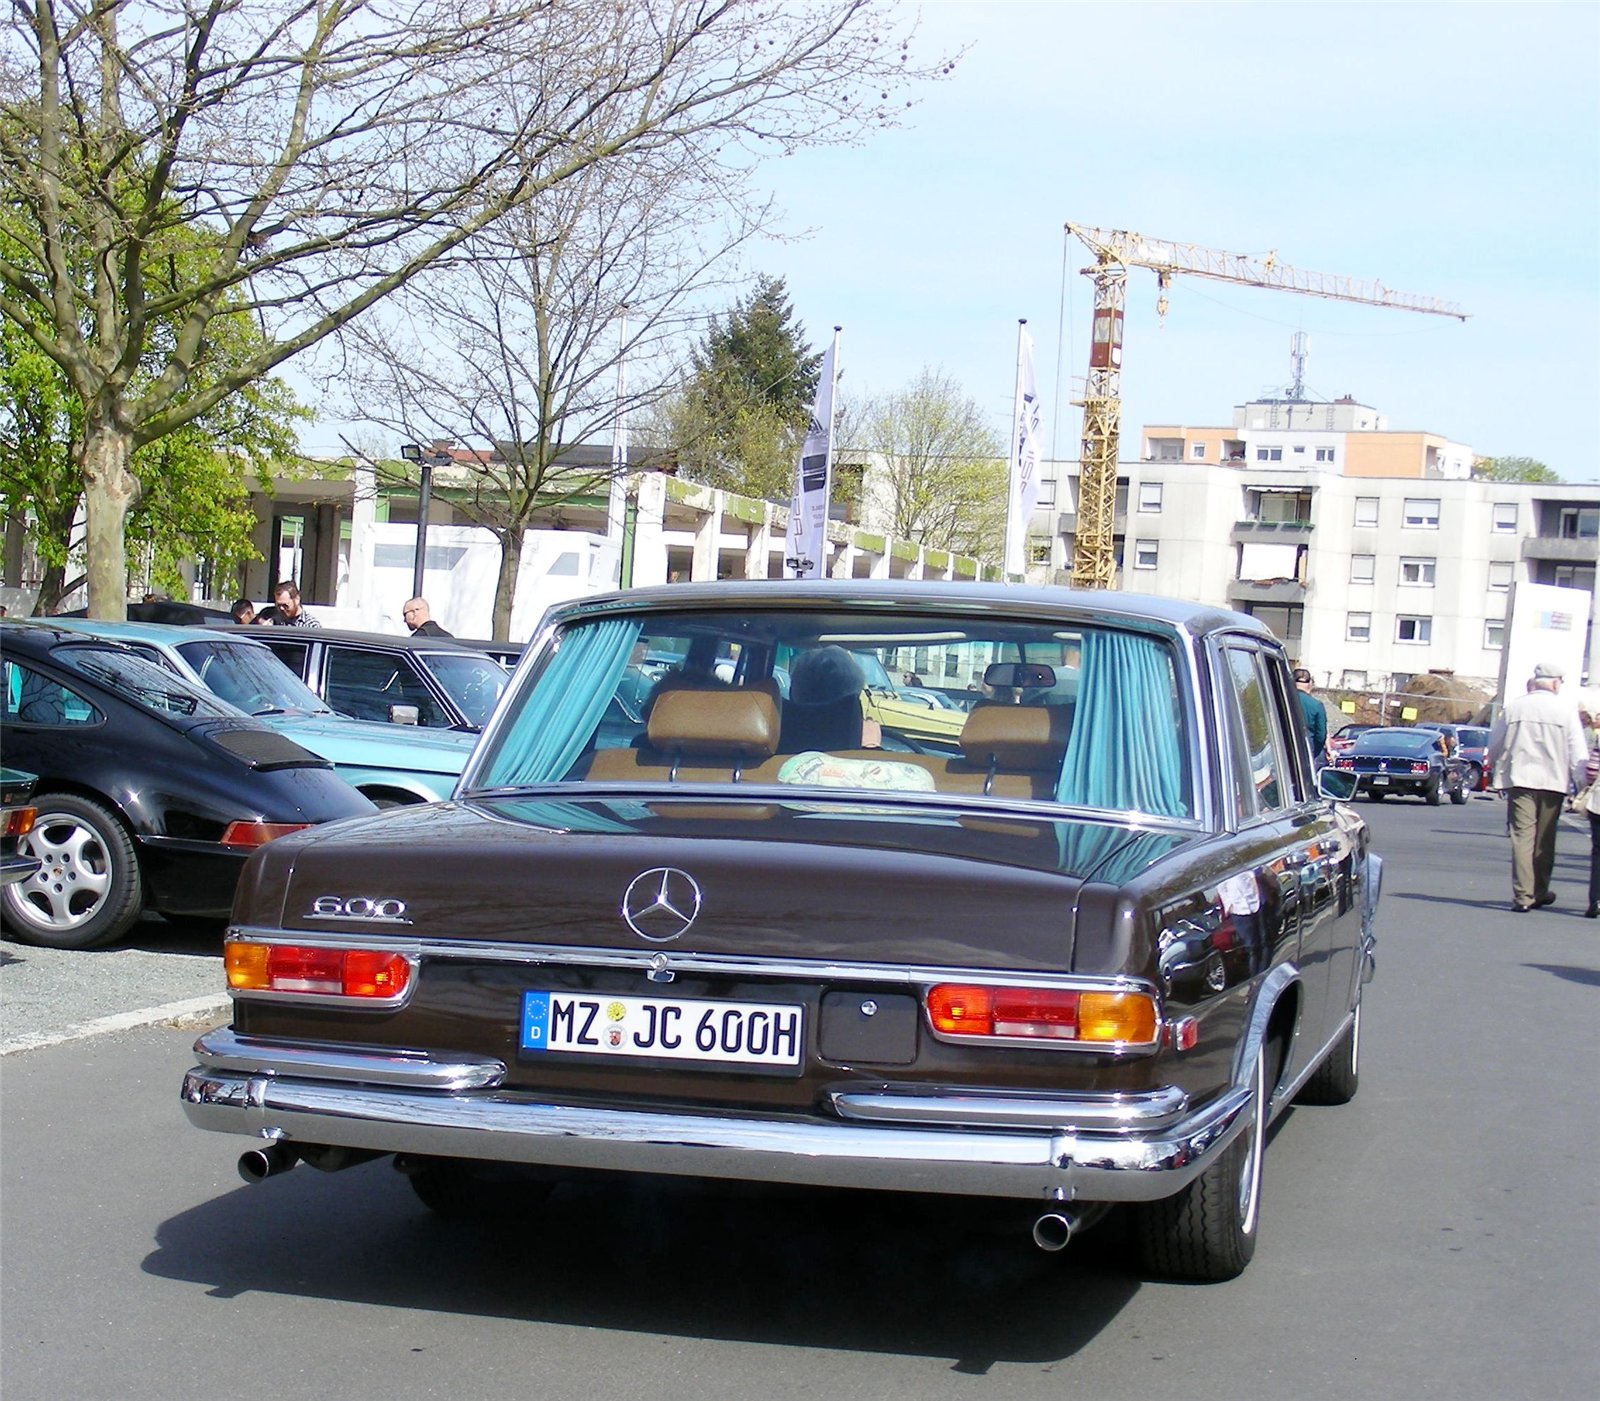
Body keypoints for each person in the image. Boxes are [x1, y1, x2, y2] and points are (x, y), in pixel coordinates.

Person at [1487, 661, 1589, 913]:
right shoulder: (1565, 711)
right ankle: (1539, 890)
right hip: (1553, 782)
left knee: (1522, 837)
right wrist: (1581, 784)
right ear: (1555, 683)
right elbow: (1578, 753)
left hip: (1520, 779)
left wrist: (1494, 770)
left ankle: (1522, 895)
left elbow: (1495, 744)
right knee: (1545, 839)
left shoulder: (1514, 708)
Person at [1292, 667, 1327, 769]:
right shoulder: (1316, 705)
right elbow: (1321, 735)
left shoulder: (1281, 700)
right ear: (1310, 683)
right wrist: (1314, 752)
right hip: (1306, 750)